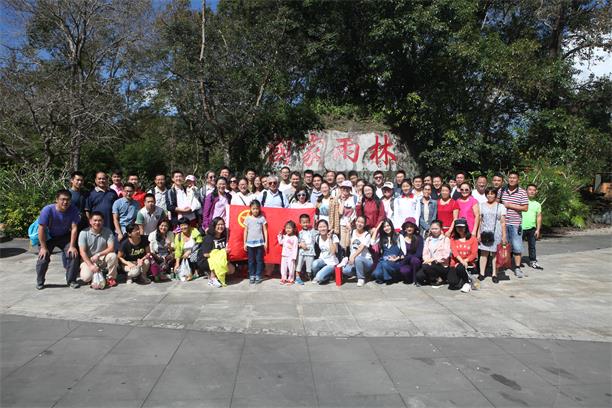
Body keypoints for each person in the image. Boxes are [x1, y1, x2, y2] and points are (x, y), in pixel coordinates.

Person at [35, 189, 81, 290]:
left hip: (64, 236)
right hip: (48, 237)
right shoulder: (47, 210)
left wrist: (72, 246)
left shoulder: (73, 210)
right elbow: (41, 228)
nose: (65, 202)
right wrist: (43, 247)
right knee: (43, 257)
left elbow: (74, 228)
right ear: (56, 199)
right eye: (62, 199)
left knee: (73, 254)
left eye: (68, 200)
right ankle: (40, 281)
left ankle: (71, 280)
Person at [500, 171, 529, 278]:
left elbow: (525, 208)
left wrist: (510, 205)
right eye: (510, 178)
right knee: (504, 245)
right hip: (502, 223)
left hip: (515, 223)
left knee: (517, 246)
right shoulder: (502, 190)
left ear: (518, 180)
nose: (512, 180)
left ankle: (517, 268)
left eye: (514, 178)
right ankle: (503, 265)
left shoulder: (522, 192)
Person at [78, 211, 118, 288]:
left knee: (113, 256)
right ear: (90, 221)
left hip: (102, 258)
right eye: (95, 220)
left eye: (100, 220)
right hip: (89, 260)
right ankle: (93, 275)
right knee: (86, 278)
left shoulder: (108, 232)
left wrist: (98, 254)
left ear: (103, 222)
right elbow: (82, 252)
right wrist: (91, 266)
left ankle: (111, 278)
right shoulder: (83, 233)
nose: (97, 223)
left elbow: (111, 248)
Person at [478, 187, 507, 283]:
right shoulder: (481, 205)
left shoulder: (501, 206)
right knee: (484, 253)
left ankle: (495, 274)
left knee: (495, 254)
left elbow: (503, 222)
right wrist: (478, 233)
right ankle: (482, 273)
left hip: (496, 233)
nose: (490, 195)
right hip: (485, 232)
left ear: (495, 195)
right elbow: (480, 221)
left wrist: (504, 236)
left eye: (492, 193)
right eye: (488, 193)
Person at [201, 217, 235, 287]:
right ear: (214, 226)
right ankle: (212, 278)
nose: (220, 226)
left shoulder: (224, 236)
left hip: (221, 259)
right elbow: (206, 254)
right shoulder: (208, 238)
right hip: (207, 260)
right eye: (218, 225)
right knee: (216, 260)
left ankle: (218, 275)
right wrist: (222, 253)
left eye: (222, 224)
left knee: (231, 270)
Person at [415, 220, 451, 286]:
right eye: (432, 229)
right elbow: (425, 253)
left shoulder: (445, 239)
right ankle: (435, 278)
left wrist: (433, 259)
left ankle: (438, 278)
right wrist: (427, 260)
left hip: (441, 265)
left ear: (441, 229)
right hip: (429, 264)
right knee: (419, 276)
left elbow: (446, 254)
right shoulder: (428, 239)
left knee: (425, 266)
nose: (434, 231)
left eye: (436, 229)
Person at [447, 219, 478, 293]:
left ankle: (467, 282)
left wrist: (465, 261)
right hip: (455, 263)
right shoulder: (453, 239)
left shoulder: (473, 239)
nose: (460, 229)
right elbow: (454, 252)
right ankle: (462, 279)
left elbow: (474, 254)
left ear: (466, 227)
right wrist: (461, 261)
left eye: (462, 227)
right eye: (458, 227)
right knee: (452, 282)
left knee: (460, 267)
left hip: (468, 263)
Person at [371, 219, 405, 284]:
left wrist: (396, 258)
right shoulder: (381, 237)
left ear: (391, 226)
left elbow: (404, 252)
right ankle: (387, 277)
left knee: (385, 264)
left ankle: (393, 276)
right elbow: (372, 242)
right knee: (376, 274)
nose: (386, 228)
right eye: (384, 227)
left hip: (395, 261)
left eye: (388, 226)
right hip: (383, 260)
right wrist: (377, 228)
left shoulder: (399, 236)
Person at [342, 215, 373, 287]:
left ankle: (361, 278)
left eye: (362, 222)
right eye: (358, 221)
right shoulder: (352, 232)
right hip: (354, 261)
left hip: (366, 260)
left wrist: (353, 256)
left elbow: (361, 248)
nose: (359, 224)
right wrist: (348, 232)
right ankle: (361, 273)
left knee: (358, 258)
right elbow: (347, 244)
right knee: (345, 271)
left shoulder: (367, 234)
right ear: (355, 222)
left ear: (364, 224)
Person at [243, 200, 267, 284]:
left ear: (259, 209)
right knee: (251, 261)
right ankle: (251, 275)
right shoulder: (247, 218)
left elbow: (265, 230)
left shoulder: (262, 218)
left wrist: (265, 242)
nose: (255, 210)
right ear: (250, 209)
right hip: (250, 244)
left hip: (259, 243)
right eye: (253, 209)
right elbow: (245, 231)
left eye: (257, 208)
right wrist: (245, 243)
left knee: (259, 260)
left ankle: (258, 275)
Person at [334, 181, 357, 262]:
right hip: (342, 224)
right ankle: (344, 261)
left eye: (347, 188)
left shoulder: (355, 197)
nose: (345, 190)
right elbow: (340, 213)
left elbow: (356, 212)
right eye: (343, 188)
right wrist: (343, 201)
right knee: (343, 244)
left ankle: (352, 261)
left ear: (350, 189)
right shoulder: (339, 199)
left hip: (353, 225)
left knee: (351, 244)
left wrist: (351, 223)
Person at [311, 220, 339, 284]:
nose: (322, 229)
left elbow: (333, 252)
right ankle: (319, 276)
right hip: (323, 260)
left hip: (332, 263)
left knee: (319, 278)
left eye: (324, 226)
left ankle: (324, 276)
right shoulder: (317, 237)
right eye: (320, 227)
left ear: (327, 227)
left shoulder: (333, 236)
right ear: (318, 228)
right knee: (314, 264)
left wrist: (329, 239)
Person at [522, 183, 543, 270]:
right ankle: (510, 262)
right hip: (520, 227)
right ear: (526, 191)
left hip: (532, 228)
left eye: (534, 190)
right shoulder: (521, 201)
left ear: (536, 192)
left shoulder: (537, 204)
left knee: (532, 246)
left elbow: (539, 217)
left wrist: (538, 229)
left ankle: (533, 261)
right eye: (530, 189)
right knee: (515, 246)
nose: (532, 192)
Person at [398, 217, 423, 284]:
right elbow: (399, 250)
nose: (409, 228)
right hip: (405, 262)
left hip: (415, 261)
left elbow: (419, 253)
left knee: (414, 260)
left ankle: (415, 279)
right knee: (404, 270)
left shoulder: (419, 238)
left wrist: (407, 257)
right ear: (405, 228)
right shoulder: (401, 237)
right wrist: (400, 255)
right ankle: (409, 278)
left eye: (411, 226)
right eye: (407, 227)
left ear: (414, 228)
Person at [296, 213, 316, 284]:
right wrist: (300, 244)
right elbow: (296, 242)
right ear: (300, 223)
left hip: (310, 252)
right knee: (299, 264)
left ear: (309, 222)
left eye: (307, 222)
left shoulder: (312, 231)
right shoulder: (299, 233)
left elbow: (317, 234)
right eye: (303, 222)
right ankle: (297, 277)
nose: (305, 224)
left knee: (309, 266)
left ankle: (308, 275)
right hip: (301, 252)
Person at [277, 221, 299, 285]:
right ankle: (283, 278)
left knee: (291, 268)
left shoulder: (295, 238)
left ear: (293, 229)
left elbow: (295, 248)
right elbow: (280, 242)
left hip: (291, 256)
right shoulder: (285, 236)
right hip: (284, 255)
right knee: (283, 268)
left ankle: (291, 279)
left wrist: (294, 257)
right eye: (286, 228)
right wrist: (279, 236)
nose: (288, 229)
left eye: (289, 228)